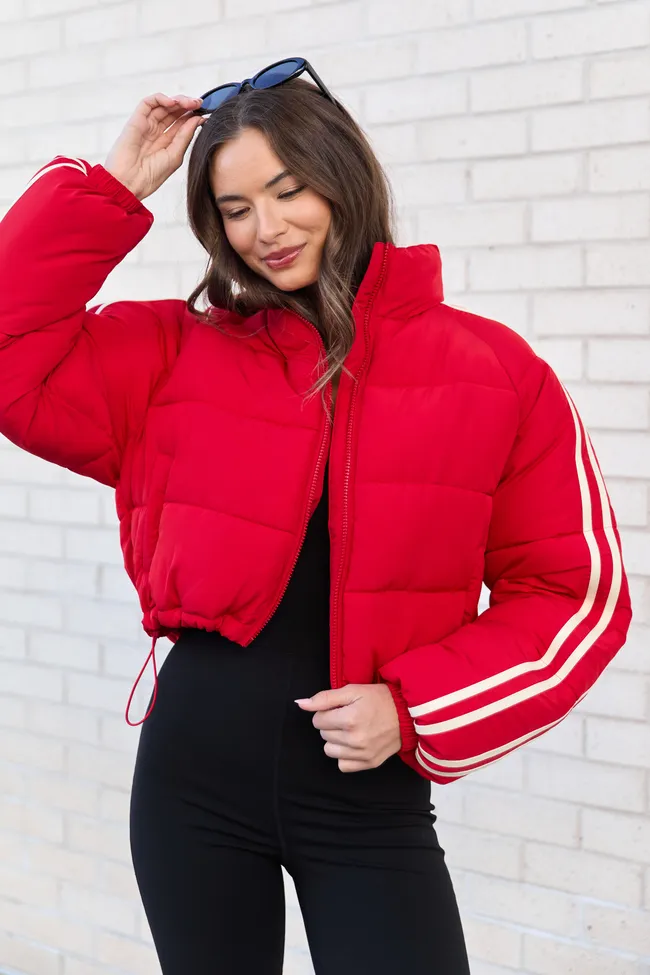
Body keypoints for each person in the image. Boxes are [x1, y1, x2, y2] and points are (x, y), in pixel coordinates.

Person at [0, 57, 632, 975]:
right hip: (191, 785)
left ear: (341, 176)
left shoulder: (497, 372)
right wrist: (113, 186)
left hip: (366, 799)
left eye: (288, 190)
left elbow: (575, 594)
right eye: (235, 208)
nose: (266, 228)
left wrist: (414, 709)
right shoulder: (174, 353)